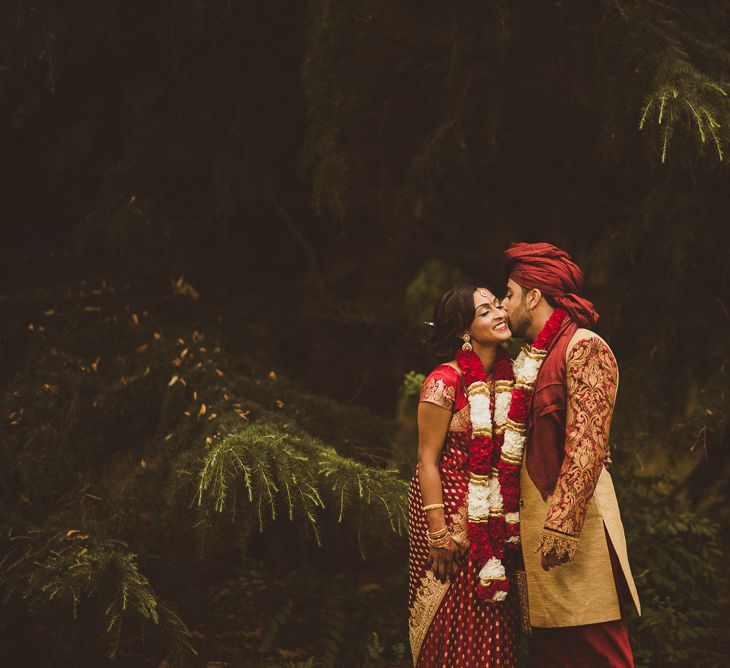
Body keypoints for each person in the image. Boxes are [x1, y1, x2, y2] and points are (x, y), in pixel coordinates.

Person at [501, 242, 641, 667]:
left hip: (575, 534)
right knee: (552, 657)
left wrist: (561, 528)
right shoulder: (533, 357)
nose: (503, 304)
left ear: (533, 296)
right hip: (536, 534)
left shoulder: (584, 346)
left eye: (508, 294)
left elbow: (588, 442)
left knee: (600, 653)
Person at [407, 280, 520, 667]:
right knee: (454, 619)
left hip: (497, 518)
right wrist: (438, 531)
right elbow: (427, 459)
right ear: (462, 331)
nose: (499, 313)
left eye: (497, 306)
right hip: (449, 516)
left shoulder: (514, 377)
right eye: (484, 312)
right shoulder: (444, 381)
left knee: (493, 616)